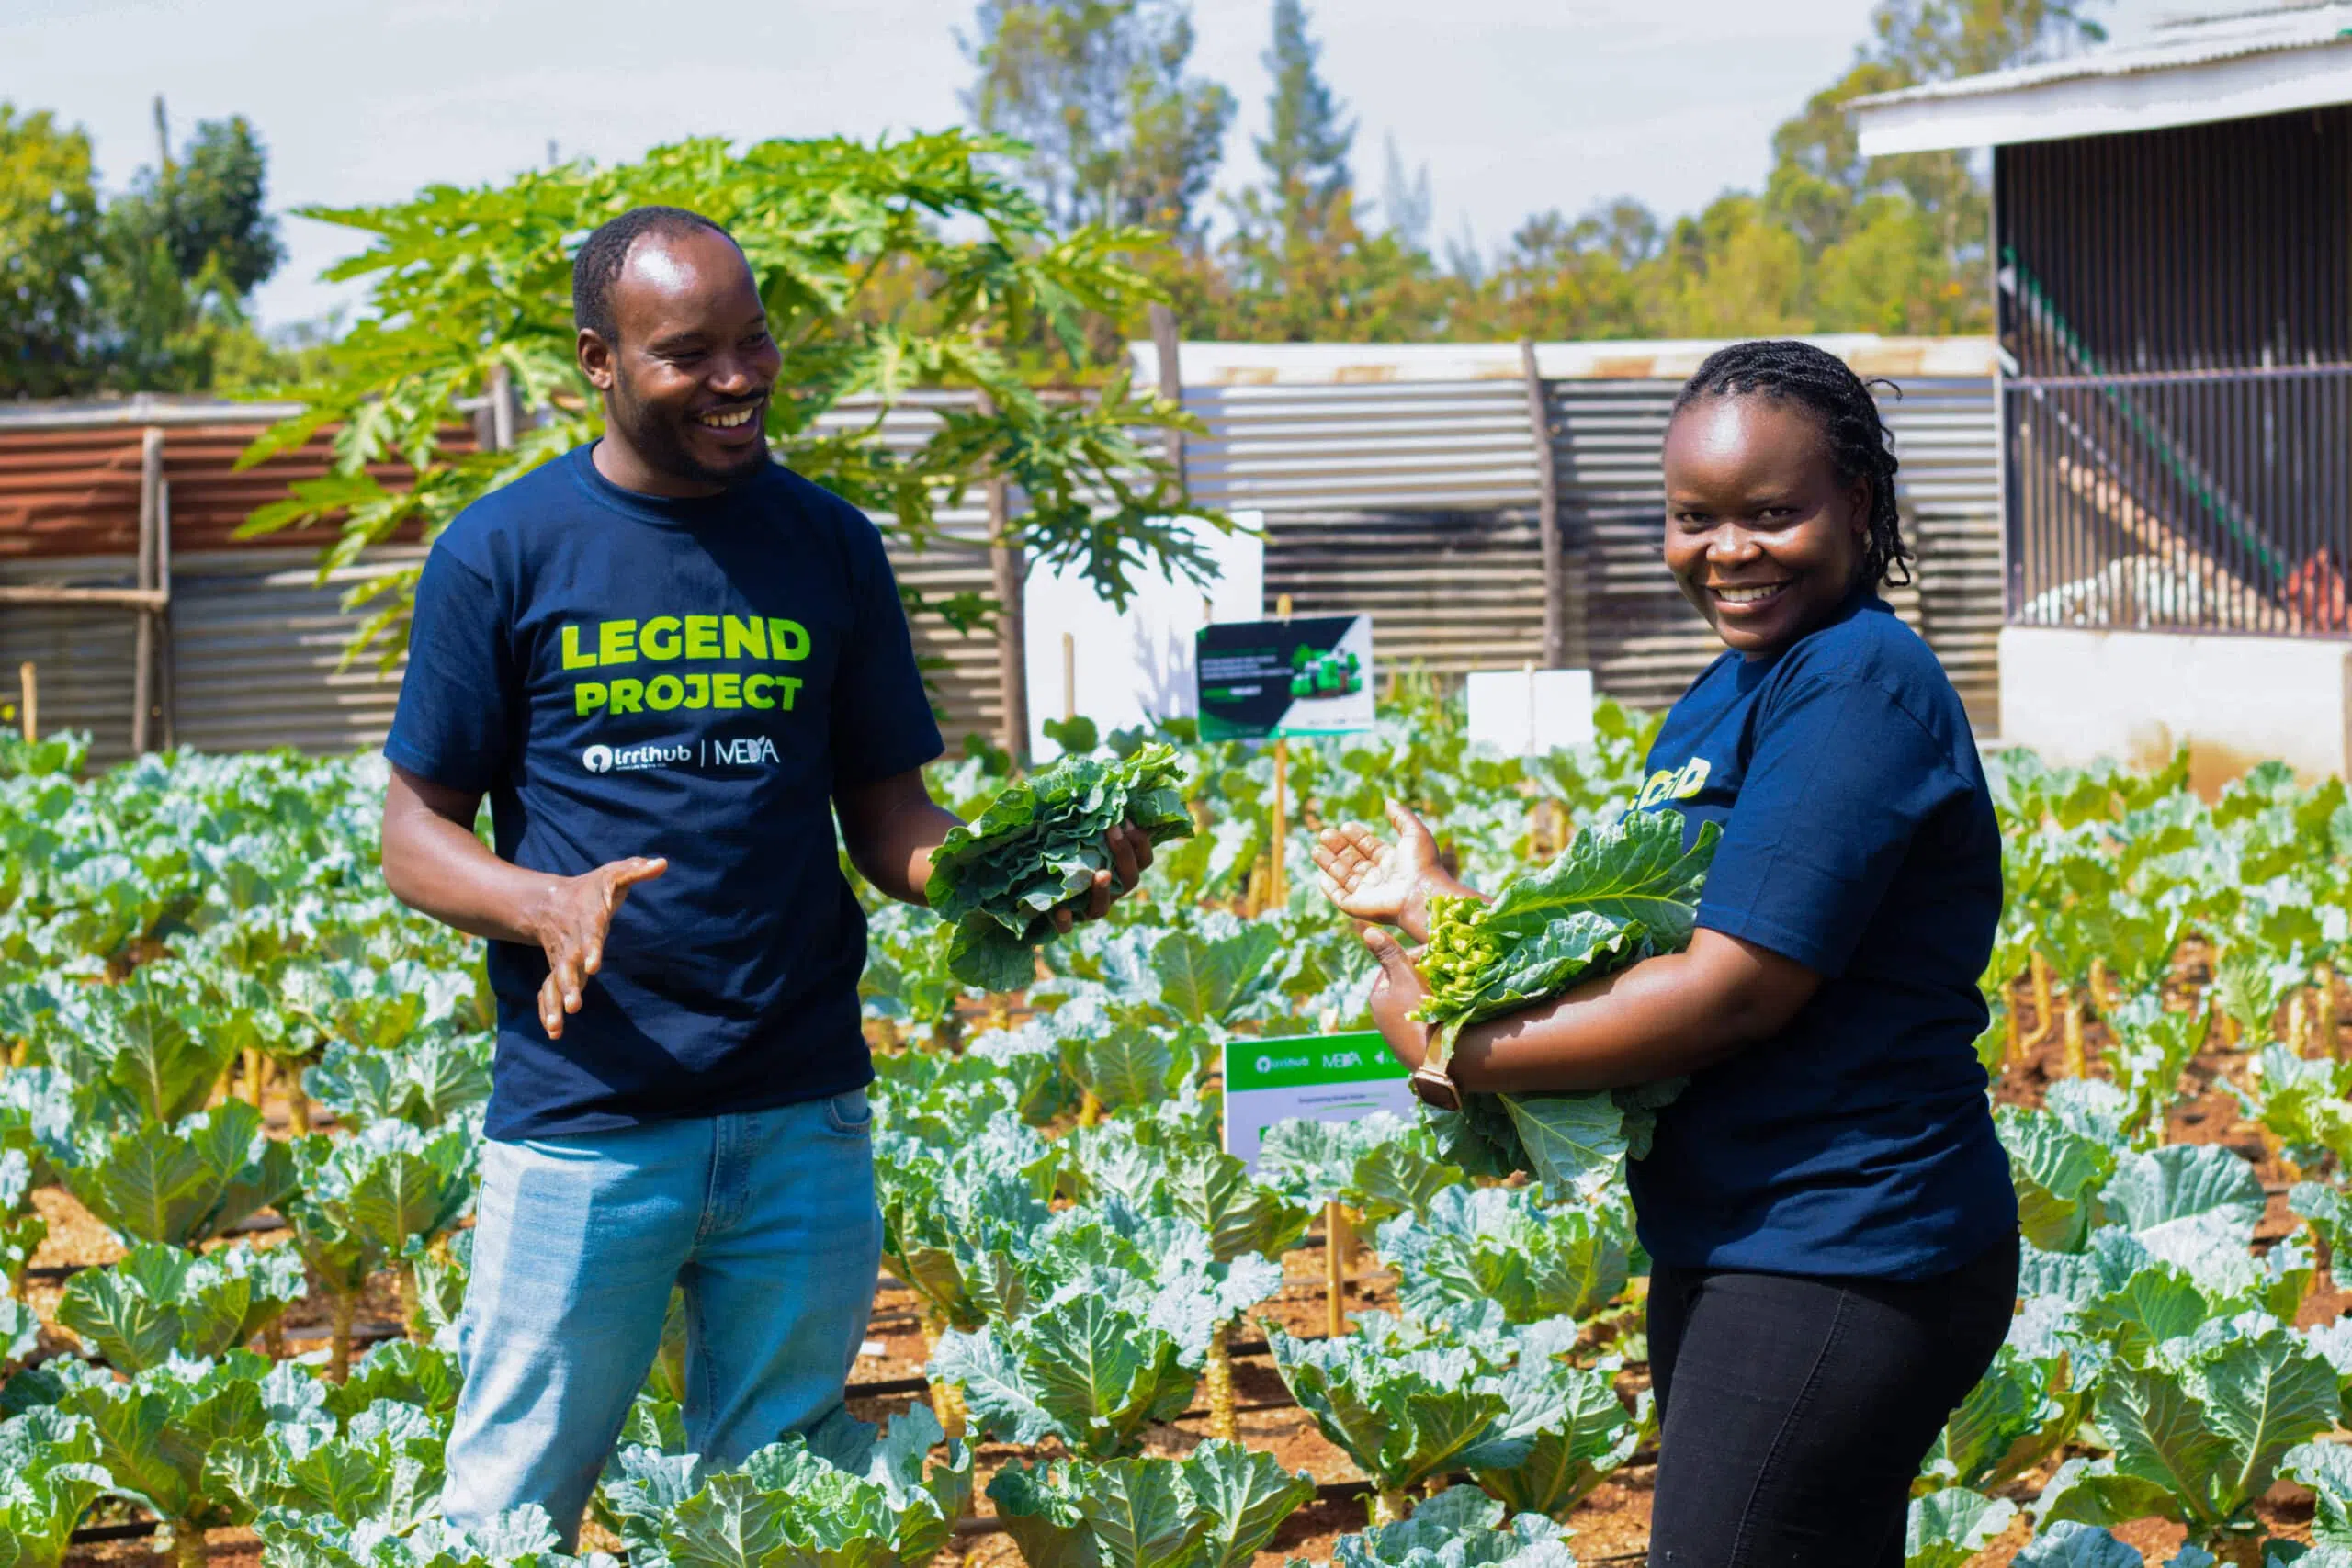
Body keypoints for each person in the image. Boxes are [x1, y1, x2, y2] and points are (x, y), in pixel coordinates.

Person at [379, 205, 1152, 1538]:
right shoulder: (503, 553)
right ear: (595, 362)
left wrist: (1021, 877)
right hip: (589, 1120)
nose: (738, 378)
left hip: (803, 1113)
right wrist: (542, 899)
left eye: (754, 340)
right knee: (507, 1510)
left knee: (776, 1507)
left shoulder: (831, 546)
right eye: (689, 353)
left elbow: (892, 821)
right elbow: (412, 832)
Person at [1316, 339, 2018, 1568]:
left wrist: (1462, 1050)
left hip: (1849, 1238)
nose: (1727, 550)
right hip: (1740, 1228)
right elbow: (1654, 939)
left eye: (1772, 513)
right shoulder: (1730, 690)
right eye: (1693, 518)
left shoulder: (1858, 681)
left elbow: (1733, 990)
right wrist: (1444, 910)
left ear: (1857, 503)